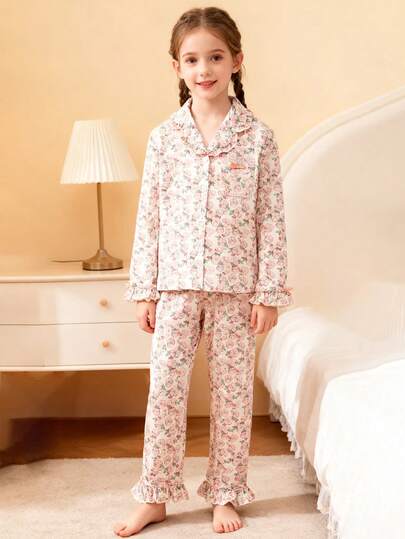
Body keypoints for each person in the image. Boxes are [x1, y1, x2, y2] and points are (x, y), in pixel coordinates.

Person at [113, 6, 293, 537]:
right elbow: (149, 217)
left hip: (236, 291)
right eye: (191, 59)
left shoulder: (257, 138)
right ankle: (156, 494)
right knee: (164, 392)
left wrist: (269, 293)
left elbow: (271, 220)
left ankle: (226, 492)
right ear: (177, 67)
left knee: (233, 396)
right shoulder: (164, 138)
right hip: (175, 287)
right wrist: (145, 290)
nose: (204, 69)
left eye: (215, 57)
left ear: (236, 61)